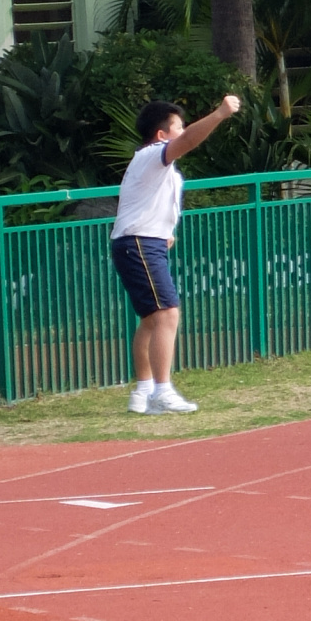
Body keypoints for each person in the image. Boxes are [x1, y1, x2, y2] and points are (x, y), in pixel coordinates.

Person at [111, 92, 242, 413]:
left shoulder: (159, 168)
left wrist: (165, 232)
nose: (182, 132)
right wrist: (220, 114)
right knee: (168, 313)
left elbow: (148, 203)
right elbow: (188, 141)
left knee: (151, 320)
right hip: (138, 242)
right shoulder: (152, 154)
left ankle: (143, 392)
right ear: (161, 135)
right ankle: (162, 391)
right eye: (178, 127)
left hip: (141, 242)